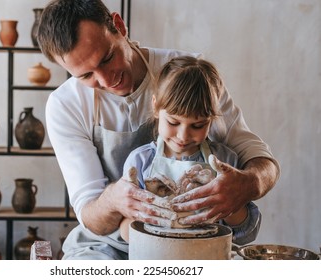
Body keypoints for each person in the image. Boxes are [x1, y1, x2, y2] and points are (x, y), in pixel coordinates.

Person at [37, 0, 279, 259]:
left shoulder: (187, 72)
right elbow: (91, 215)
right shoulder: (65, 105)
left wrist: (247, 184)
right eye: (86, 76)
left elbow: (263, 162)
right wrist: (114, 201)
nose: (107, 80)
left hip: (193, 242)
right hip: (109, 246)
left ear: (119, 26)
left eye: (107, 58)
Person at [120, 56, 261, 245]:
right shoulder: (139, 162)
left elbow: (246, 235)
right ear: (155, 106)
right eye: (173, 122)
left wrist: (228, 204)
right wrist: (140, 215)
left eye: (197, 125)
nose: (183, 136)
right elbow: (124, 230)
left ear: (211, 119)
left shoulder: (225, 160)